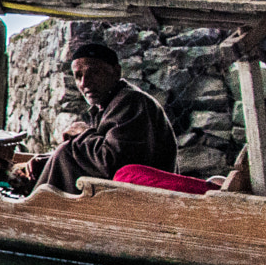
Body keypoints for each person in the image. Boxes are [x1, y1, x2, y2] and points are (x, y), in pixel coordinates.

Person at [10, 42, 176, 194]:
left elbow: (113, 164)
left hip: (140, 200)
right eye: (78, 76)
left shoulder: (131, 102)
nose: (84, 83)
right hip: (118, 193)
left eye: (94, 73)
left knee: (65, 152)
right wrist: (48, 160)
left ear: (116, 72)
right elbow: (96, 152)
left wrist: (84, 133)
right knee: (59, 155)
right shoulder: (107, 104)